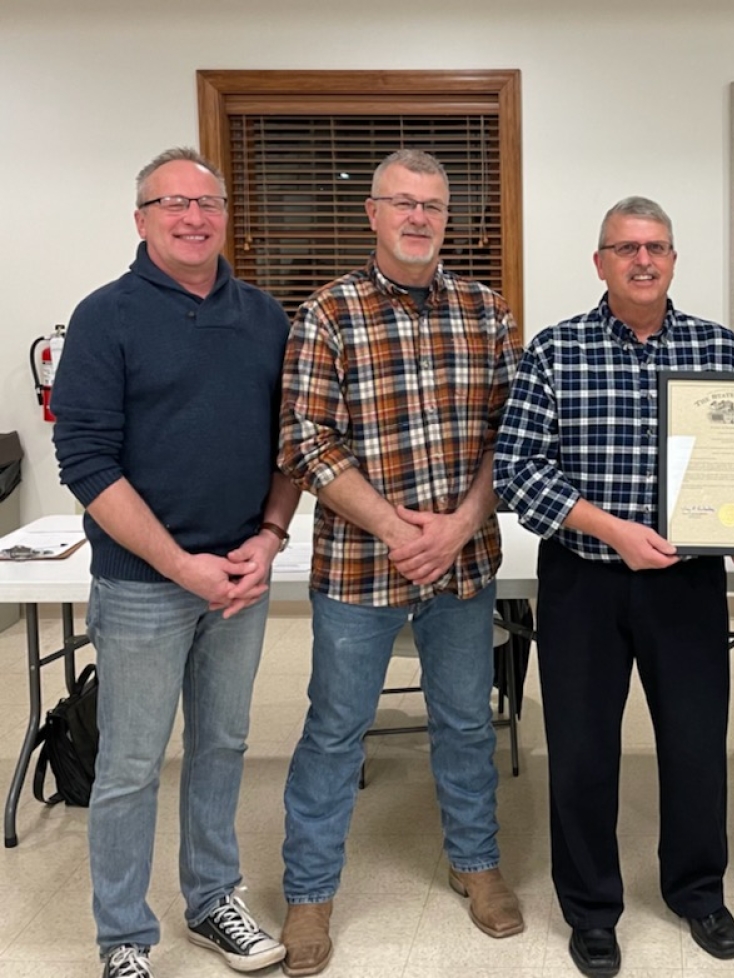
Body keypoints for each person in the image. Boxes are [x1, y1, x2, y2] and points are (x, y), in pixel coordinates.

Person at [494, 196, 734, 978]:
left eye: (655, 247)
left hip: (686, 587)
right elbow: (518, 471)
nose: (642, 260)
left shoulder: (717, 349)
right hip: (584, 583)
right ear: (600, 262)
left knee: (695, 747)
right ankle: (590, 909)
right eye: (625, 248)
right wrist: (612, 529)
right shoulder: (555, 351)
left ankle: (697, 891)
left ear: (674, 260)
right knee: (583, 752)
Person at [276, 148, 523, 976]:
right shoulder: (326, 314)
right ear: (373, 214)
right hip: (359, 571)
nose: (419, 217)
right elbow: (306, 440)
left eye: (433, 206)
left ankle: (475, 864)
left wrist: (454, 529)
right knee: (335, 733)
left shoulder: (487, 312)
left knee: (464, 723)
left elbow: (508, 438)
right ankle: (309, 893)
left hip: (462, 563)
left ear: (448, 220)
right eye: (402, 203)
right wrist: (397, 528)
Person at [52, 147, 297, 978]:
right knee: (128, 764)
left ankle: (211, 900)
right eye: (173, 204)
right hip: (141, 586)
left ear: (226, 215)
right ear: (142, 219)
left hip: (241, 576)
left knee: (223, 744)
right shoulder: (105, 317)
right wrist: (178, 565)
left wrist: (268, 536)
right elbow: (86, 461)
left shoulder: (266, 317)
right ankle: (123, 935)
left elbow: (291, 444)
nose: (194, 218)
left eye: (208, 203)